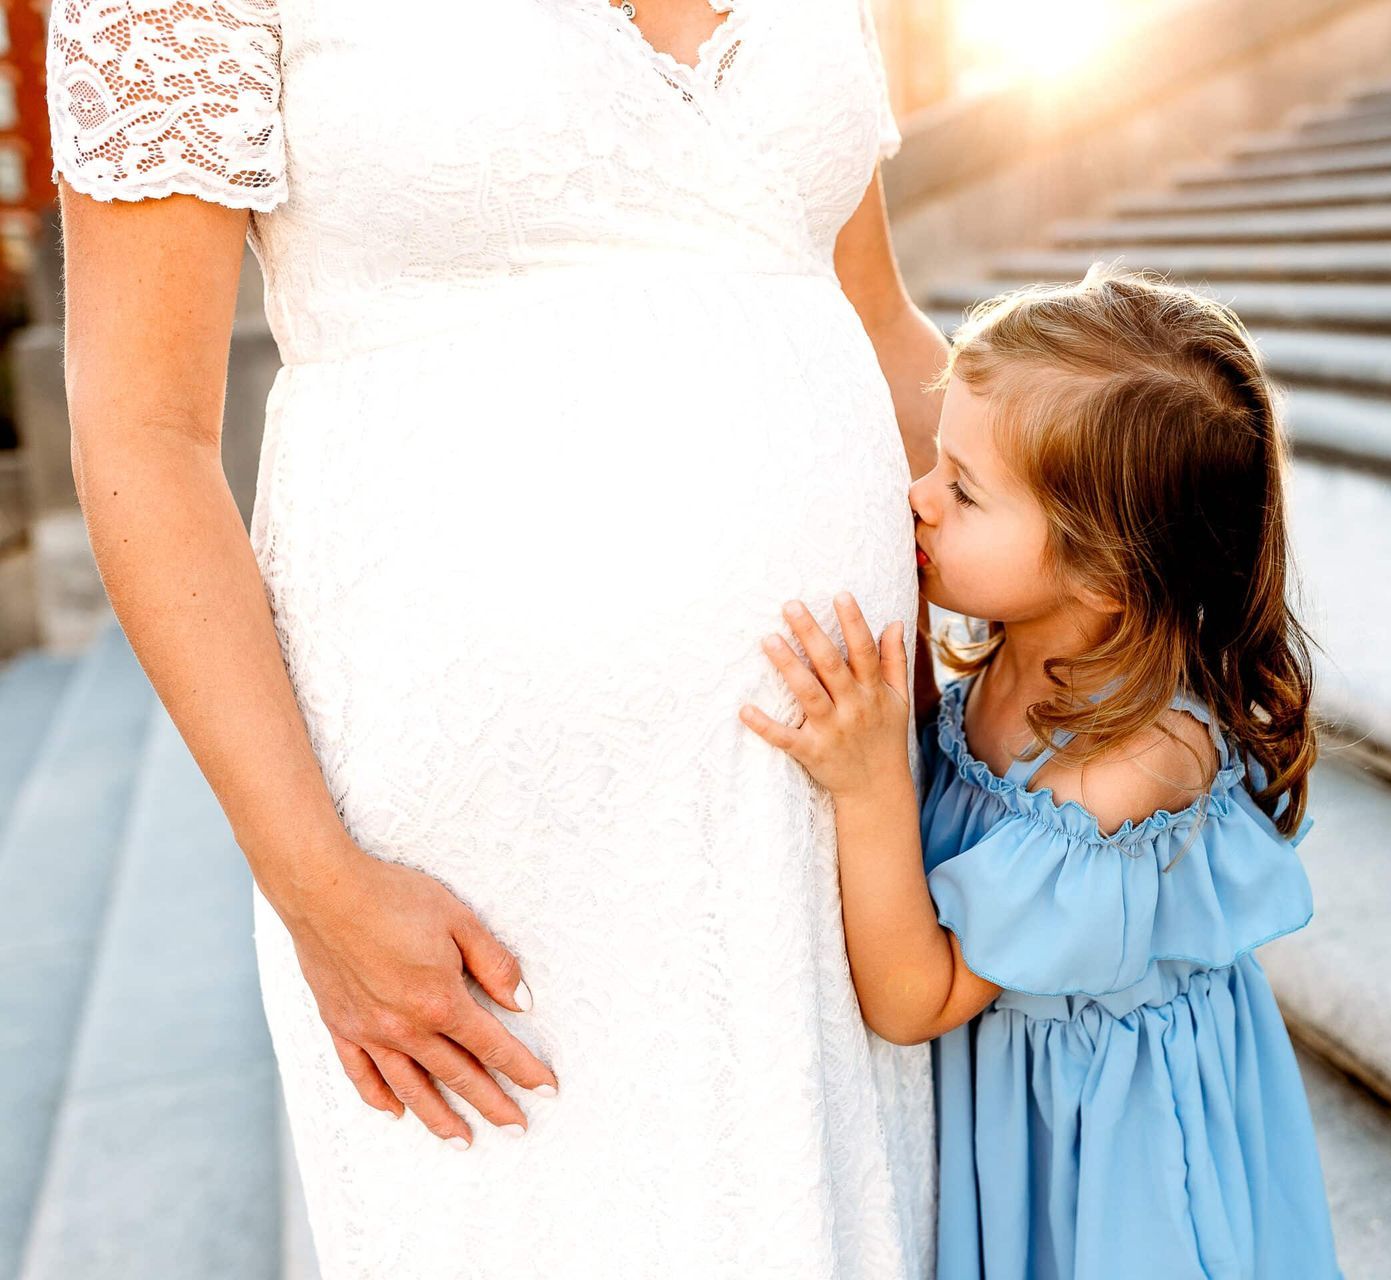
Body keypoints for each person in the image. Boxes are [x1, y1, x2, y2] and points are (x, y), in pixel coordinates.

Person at [44, 0, 947, 1274]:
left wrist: (1137, 561)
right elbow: (141, 428)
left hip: (832, 840)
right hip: (488, 890)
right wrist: (316, 883)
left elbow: (874, 313)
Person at [741, 266, 1346, 1278]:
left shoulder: (1124, 771)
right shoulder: (1019, 650)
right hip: (1025, 1111)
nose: (917, 497)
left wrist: (868, 781)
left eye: (962, 489)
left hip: (1113, 1160)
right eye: (936, 462)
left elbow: (913, 994)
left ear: (1105, 572)